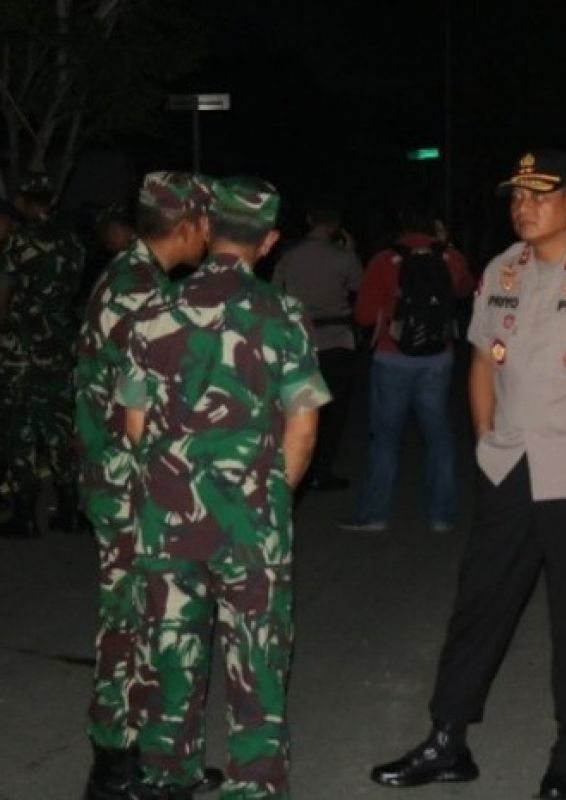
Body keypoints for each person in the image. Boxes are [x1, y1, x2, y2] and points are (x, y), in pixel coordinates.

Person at [368, 150, 566, 799]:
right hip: (510, 462)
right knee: (479, 602)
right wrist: (487, 439)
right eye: (516, 197)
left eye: (538, 195)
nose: (522, 207)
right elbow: (482, 363)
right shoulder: (501, 269)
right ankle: (447, 736)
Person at [118, 176, 329, 798]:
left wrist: (173, 483)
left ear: (207, 231)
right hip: (250, 523)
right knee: (256, 659)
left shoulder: (152, 311)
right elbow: (305, 427)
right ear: (268, 241)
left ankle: (169, 775)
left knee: (170, 653)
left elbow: (134, 424)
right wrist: (267, 496)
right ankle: (252, 785)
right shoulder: (281, 313)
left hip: (169, 517)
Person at [75, 172, 213, 799]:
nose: (209, 234)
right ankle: (113, 766)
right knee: (129, 624)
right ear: (184, 227)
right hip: (130, 484)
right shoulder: (141, 294)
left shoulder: (135, 278)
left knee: (140, 621)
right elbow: (149, 414)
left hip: (120, 478)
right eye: (204, 222)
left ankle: (137, 757)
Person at [338, 207, 472, 532]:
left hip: (391, 355)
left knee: (385, 438)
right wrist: (447, 246)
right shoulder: (451, 258)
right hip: (438, 357)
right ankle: (442, 515)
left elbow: (366, 315)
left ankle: (375, 514)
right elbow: (467, 290)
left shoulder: (385, 259)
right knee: (439, 435)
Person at [0, 173, 87, 538]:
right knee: (58, 425)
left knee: (20, 426)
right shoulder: (72, 241)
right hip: (59, 343)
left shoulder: (17, 242)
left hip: (20, 346)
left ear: (23, 199)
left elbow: (4, 293)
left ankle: (24, 514)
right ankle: (69, 509)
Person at [272, 200, 363, 492]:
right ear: (336, 226)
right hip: (336, 340)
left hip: (299, 340)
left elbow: (275, 291)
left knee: (297, 408)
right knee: (332, 412)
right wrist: (350, 251)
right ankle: (323, 471)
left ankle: (296, 468)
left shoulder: (290, 255)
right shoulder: (342, 256)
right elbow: (359, 286)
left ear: (310, 219)